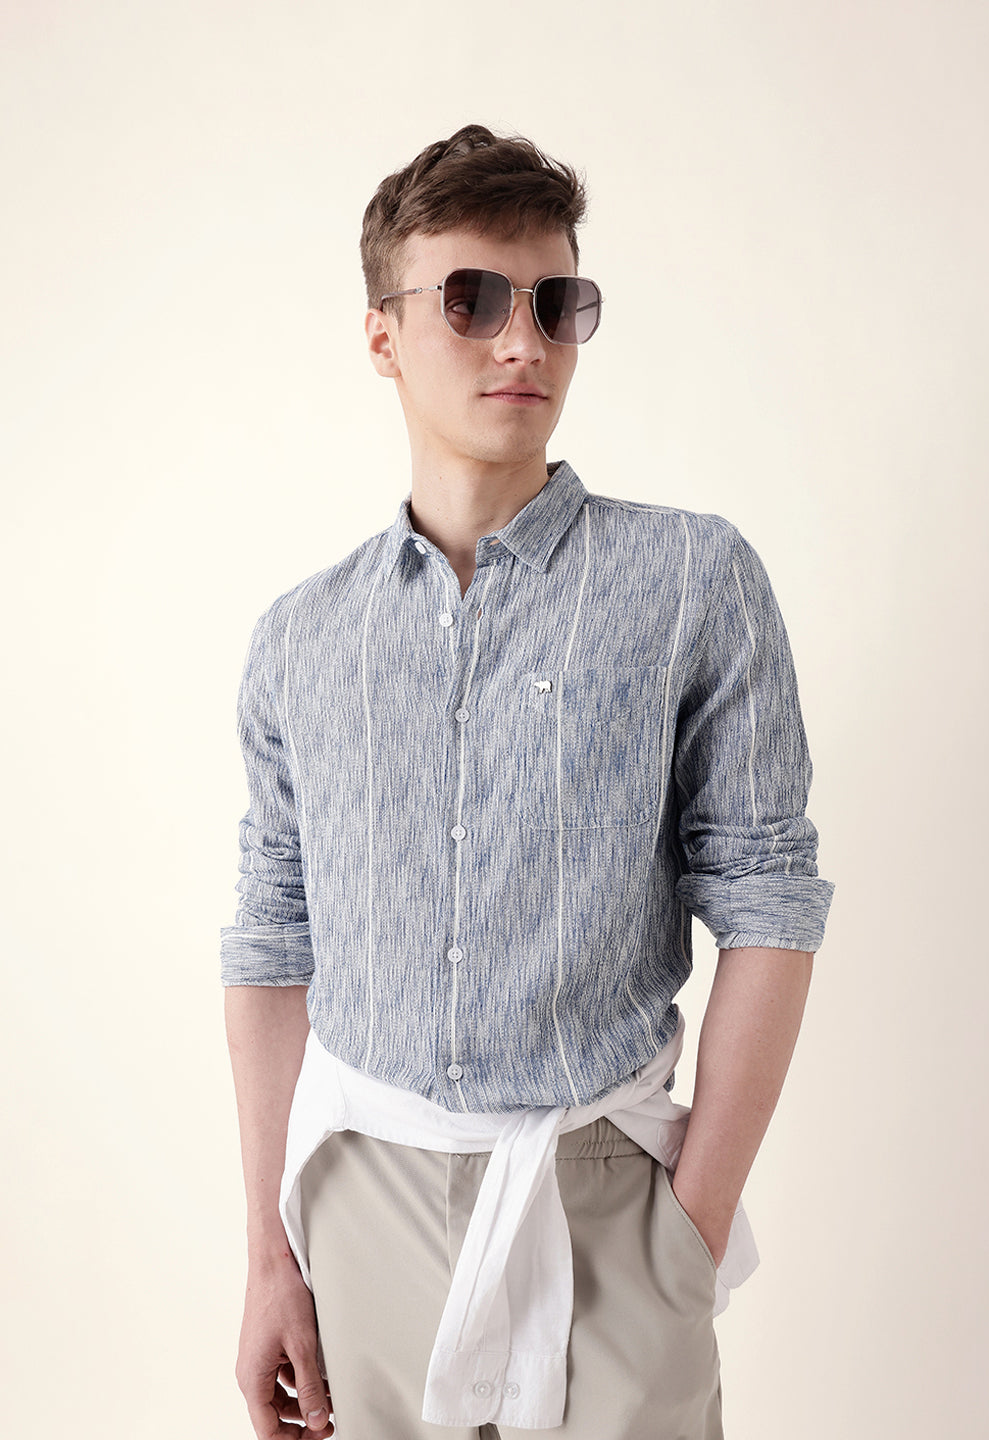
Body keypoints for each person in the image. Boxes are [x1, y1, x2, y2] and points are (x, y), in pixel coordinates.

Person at [221, 124, 834, 1440]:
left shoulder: (693, 581)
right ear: (382, 335)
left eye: (556, 303)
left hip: (607, 1202)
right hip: (362, 1207)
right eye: (473, 300)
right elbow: (273, 945)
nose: (523, 341)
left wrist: (691, 1228)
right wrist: (273, 1258)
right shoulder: (302, 639)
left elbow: (771, 902)